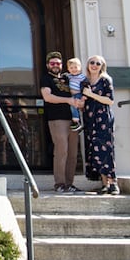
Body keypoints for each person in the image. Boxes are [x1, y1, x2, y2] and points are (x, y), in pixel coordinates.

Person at [40, 51, 82, 193]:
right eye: (52, 63)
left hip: (73, 119)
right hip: (57, 119)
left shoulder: (67, 78)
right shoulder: (46, 79)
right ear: (48, 65)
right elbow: (47, 97)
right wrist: (68, 100)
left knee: (72, 153)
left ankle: (69, 183)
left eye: (58, 63)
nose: (55, 65)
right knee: (61, 150)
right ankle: (59, 183)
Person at [81, 54, 119, 195]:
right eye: (92, 62)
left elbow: (110, 100)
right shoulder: (85, 82)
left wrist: (91, 94)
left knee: (106, 150)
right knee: (95, 151)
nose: (94, 65)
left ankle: (113, 183)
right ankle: (104, 184)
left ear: (102, 66)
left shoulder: (105, 80)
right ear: (88, 65)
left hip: (103, 119)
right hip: (90, 119)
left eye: (98, 63)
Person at [65, 57, 86, 132]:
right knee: (74, 107)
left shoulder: (82, 77)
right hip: (72, 95)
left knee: (74, 105)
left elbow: (86, 85)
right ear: (68, 69)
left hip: (78, 94)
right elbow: (63, 78)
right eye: (71, 68)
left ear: (80, 68)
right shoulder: (69, 76)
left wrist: (84, 96)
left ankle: (76, 120)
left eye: (76, 67)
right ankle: (78, 122)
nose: (74, 69)